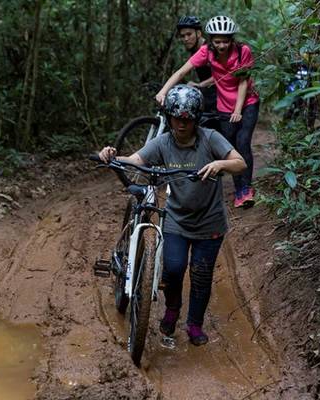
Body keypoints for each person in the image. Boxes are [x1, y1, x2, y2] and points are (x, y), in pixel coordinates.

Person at [98, 85, 246, 345]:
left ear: (196, 118)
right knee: (174, 270)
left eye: (187, 119)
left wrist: (220, 163)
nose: (181, 124)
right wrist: (111, 155)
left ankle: (194, 325)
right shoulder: (163, 142)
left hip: (210, 223)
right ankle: (172, 309)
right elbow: (136, 160)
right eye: (176, 118)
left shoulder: (210, 138)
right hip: (177, 220)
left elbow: (240, 162)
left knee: (201, 275)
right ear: (169, 117)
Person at [156, 15, 259, 209]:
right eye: (217, 41)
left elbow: (244, 81)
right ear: (211, 40)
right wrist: (163, 91)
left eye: (226, 41)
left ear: (232, 39)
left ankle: (244, 191)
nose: (221, 46)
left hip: (247, 102)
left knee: (243, 140)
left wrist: (238, 110)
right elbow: (181, 72)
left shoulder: (242, 51)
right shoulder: (206, 52)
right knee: (230, 148)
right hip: (223, 106)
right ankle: (238, 187)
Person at [176, 16, 217, 113]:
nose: (186, 39)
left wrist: (199, 84)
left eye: (189, 34)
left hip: (221, 99)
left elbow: (221, 74)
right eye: (183, 36)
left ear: (198, 33)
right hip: (209, 96)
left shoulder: (209, 49)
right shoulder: (194, 49)